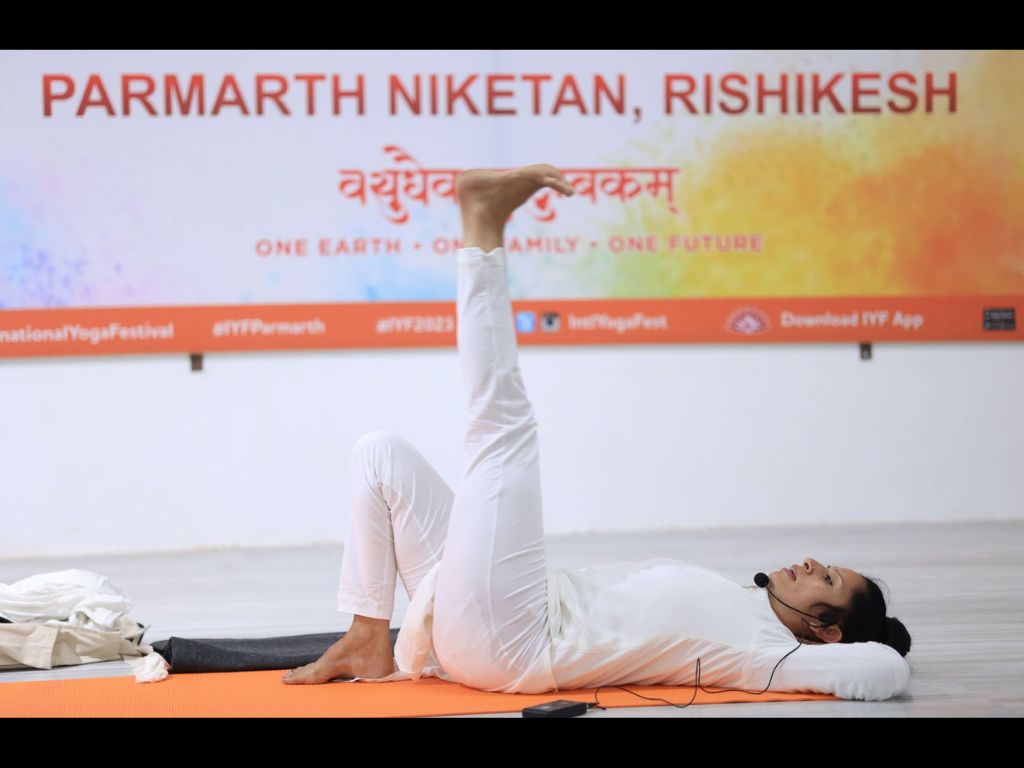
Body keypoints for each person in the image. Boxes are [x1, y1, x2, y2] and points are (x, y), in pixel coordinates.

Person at [282, 164, 913, 702]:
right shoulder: (737, 603)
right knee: (380, 454)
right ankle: (368, 639)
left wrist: (866, 646)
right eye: (826, 565)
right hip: (493, 613)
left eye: (826, 580)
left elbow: (886, 669)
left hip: (517, 644)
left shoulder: (766, 653)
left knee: (505, 430)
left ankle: (482, 230)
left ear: (826, 629)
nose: (811, 563)